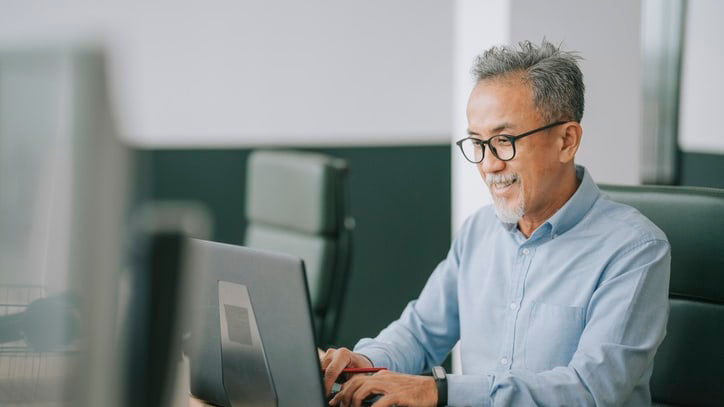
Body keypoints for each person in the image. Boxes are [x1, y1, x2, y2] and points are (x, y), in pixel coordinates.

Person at [321, 40, 671, 406]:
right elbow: (419, 333)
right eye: (477, 143)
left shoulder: (635, 250)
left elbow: (590, 389)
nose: (488, 164)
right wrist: (364, 364)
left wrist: (440, 392)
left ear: (567, 140)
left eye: (504, 141)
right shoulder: (479, 230)